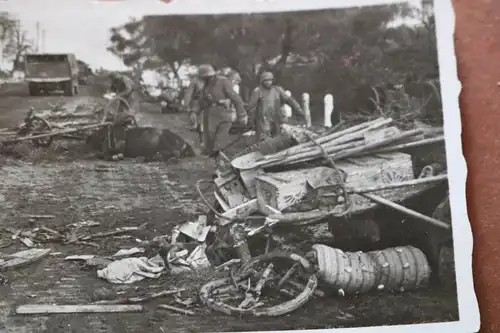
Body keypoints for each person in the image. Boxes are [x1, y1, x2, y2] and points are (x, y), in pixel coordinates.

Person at [197, 64, 247, 156]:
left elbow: (236, 99)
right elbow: (201, 102)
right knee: (210, 141)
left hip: (223, 115)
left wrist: (242, 115)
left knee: (220, 141)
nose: (207, 79)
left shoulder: (223, 82)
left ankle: (220, 158)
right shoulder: (205, 87)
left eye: (208, 77)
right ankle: (215, 156)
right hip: (210, 116)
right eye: (204, 78)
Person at [247, 71, 305, 142]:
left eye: (270, 80)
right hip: (263, 120)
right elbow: (251, 106)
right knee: (264, 141)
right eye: (266, 80)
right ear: (262, 81)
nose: (268, 82)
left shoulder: (278, 90)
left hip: (277, 118)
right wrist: (251, 120)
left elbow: (290, 100)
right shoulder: (258, 91)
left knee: (279, 139)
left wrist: (299, 111)